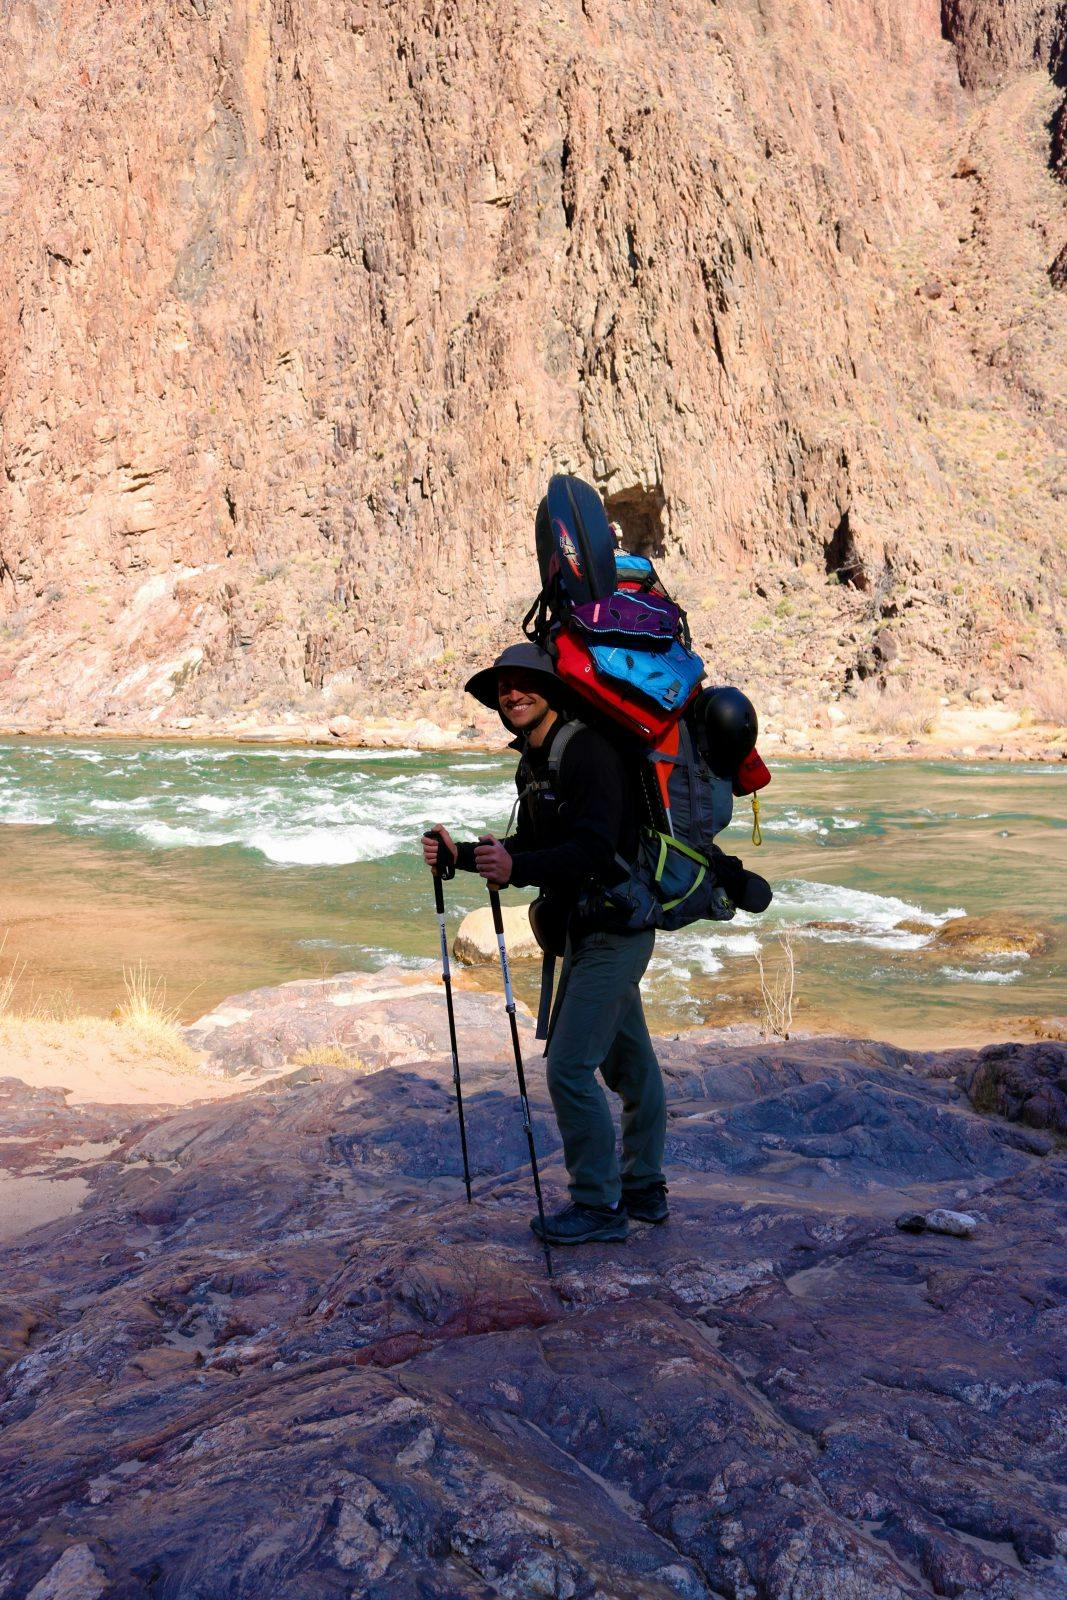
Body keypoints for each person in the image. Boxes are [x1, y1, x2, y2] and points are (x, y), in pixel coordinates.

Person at [421, 642, 668, 1245]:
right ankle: (642, 1190)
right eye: (502, 688)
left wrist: (517, 868)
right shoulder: (534, 761)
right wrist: (461, 858)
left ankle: (599, 1206)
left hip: (614, 928)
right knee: (630, 1063)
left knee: (567, 1067)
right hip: (584, 928)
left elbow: (590, 848)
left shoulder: (587, 751)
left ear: (552, 689)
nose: (512, 694)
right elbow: (529, 848)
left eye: (524, 683)